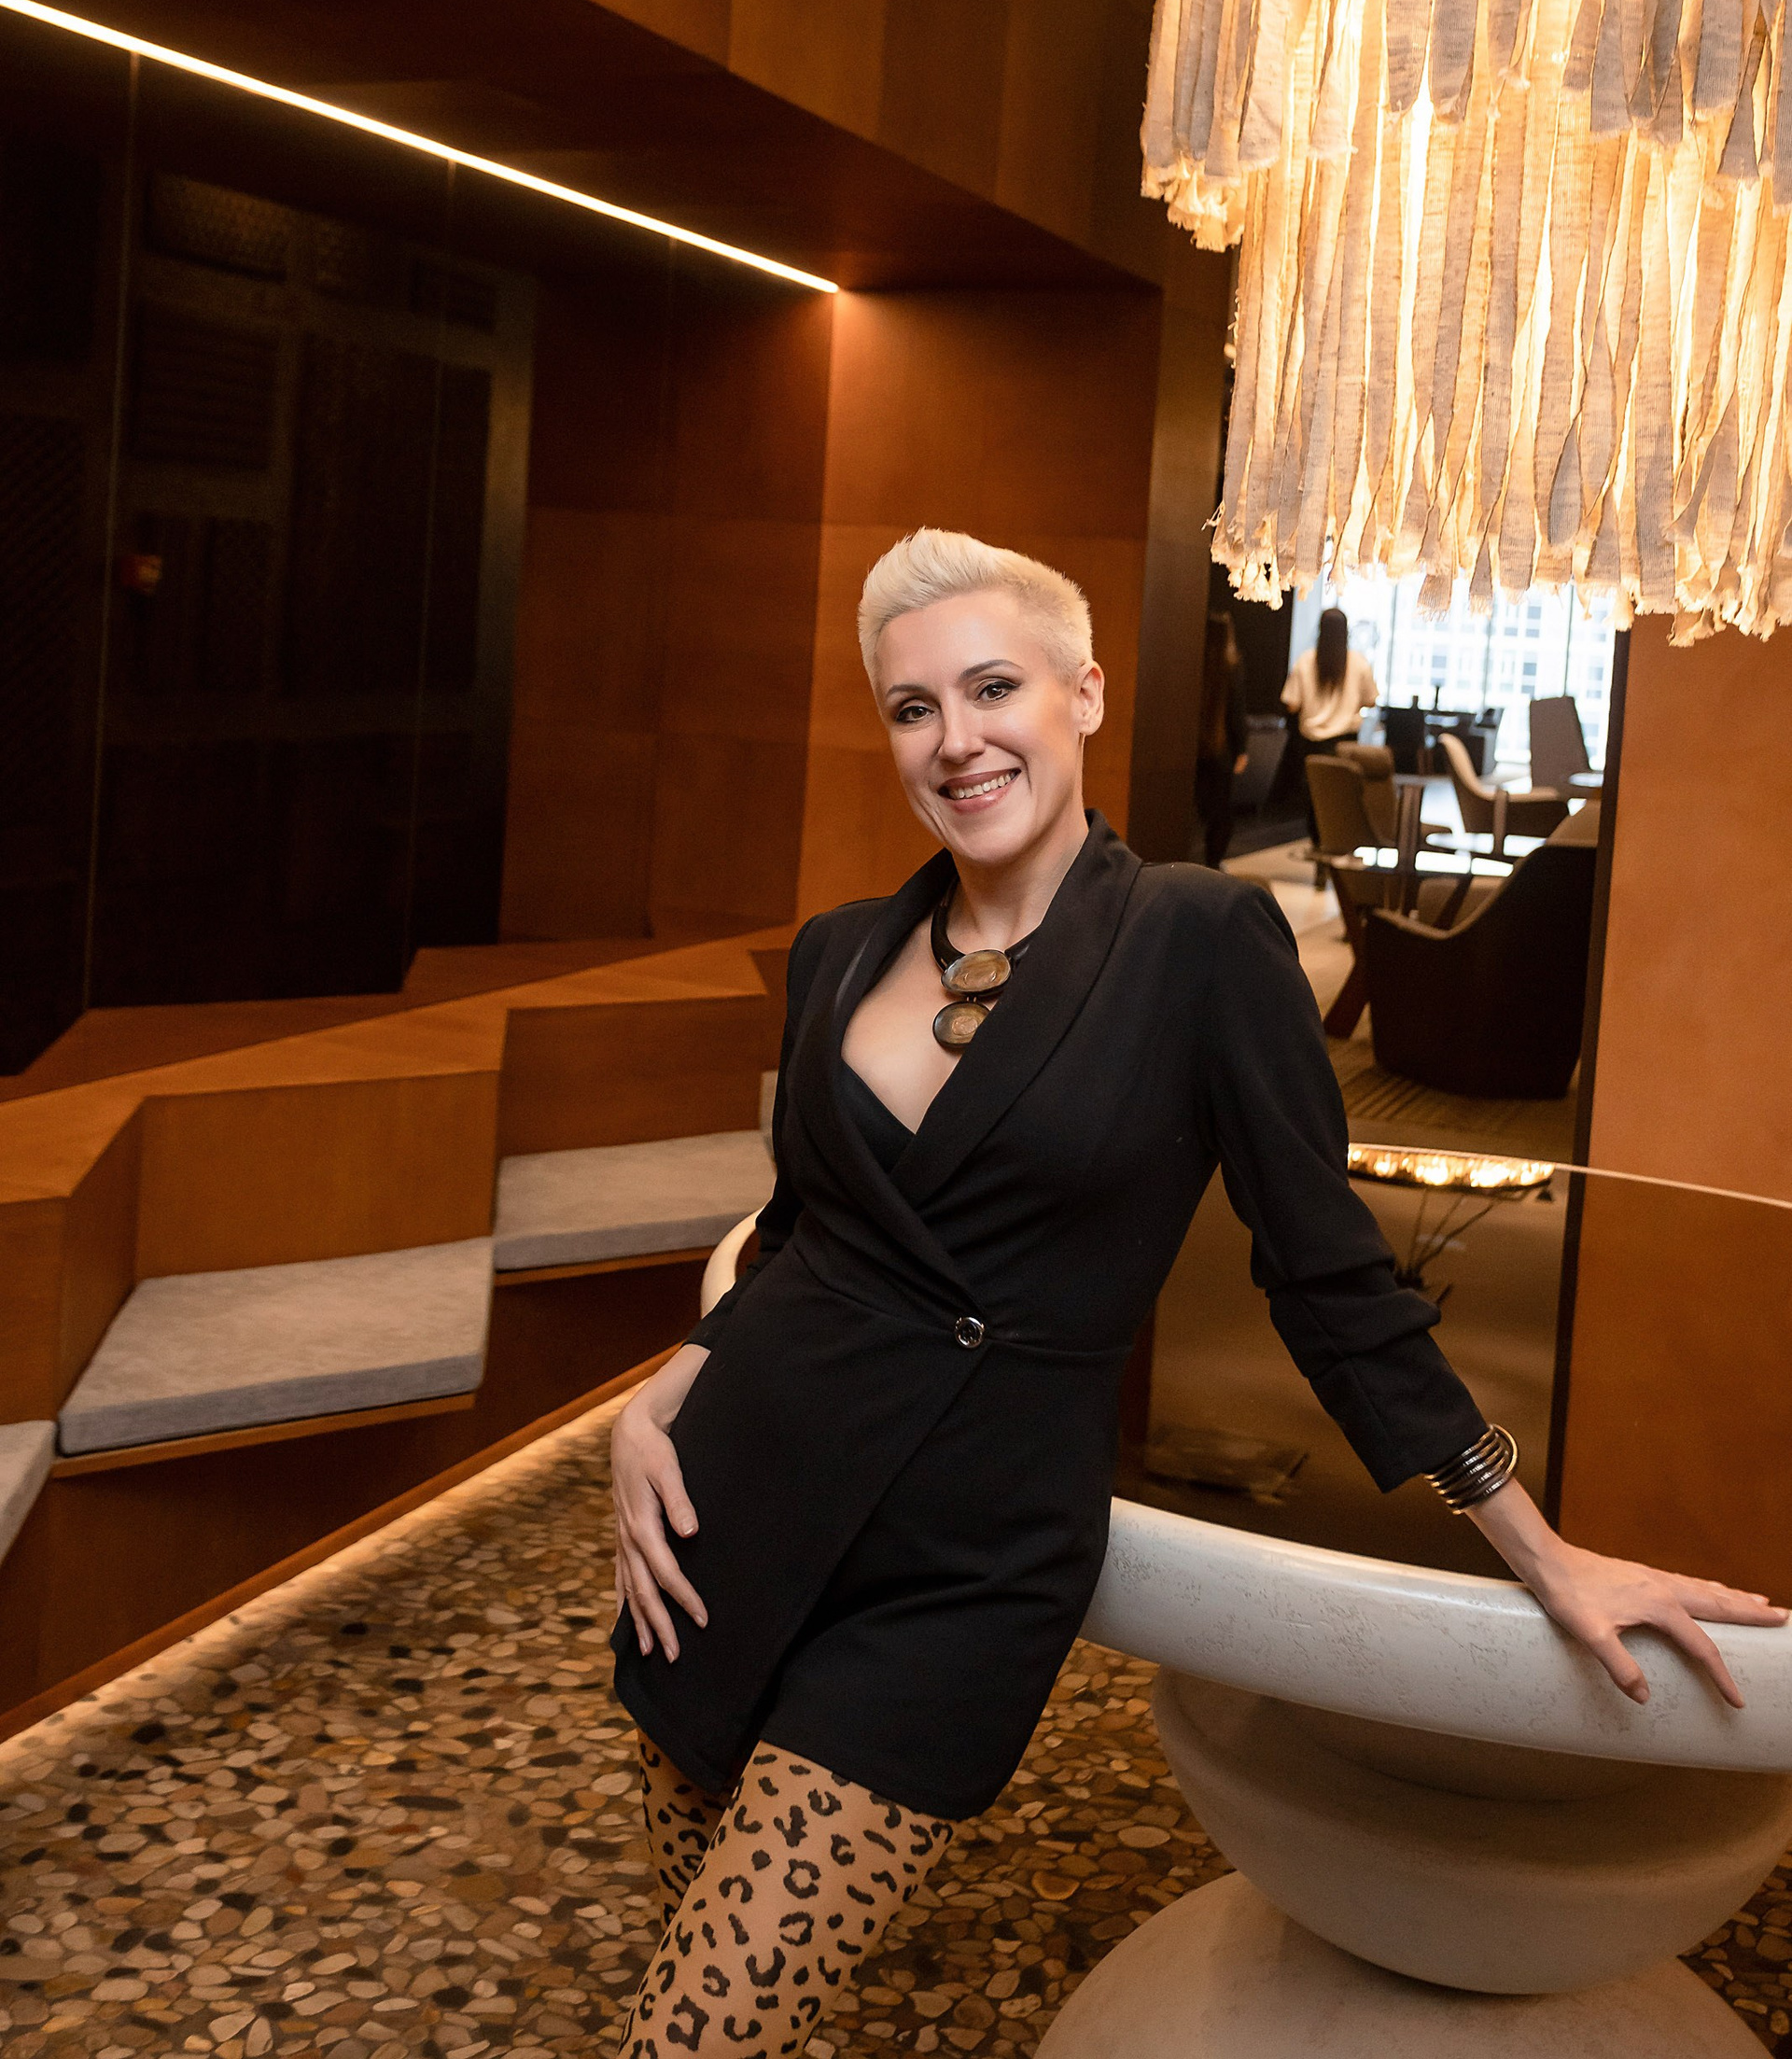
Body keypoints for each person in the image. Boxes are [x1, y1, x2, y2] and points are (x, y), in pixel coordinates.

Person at [607, 529, 1781, 2059]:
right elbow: (803, 1229)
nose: (956, 740)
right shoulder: (838, 953)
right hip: (721, 1519)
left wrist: (1537, 1548)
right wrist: (667, 1387)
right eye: (912, 707)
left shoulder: (1199, 939)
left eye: (993, 688)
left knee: (694, 2035)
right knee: (701, 1997)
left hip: (957, 1573)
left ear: (1085, 694)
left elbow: (1329, 1276)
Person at [1281, 603, 1379, 849]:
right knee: (1342, 799)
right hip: (1346, 744)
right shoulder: (1358, 663)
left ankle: (1318, 847)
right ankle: (1340, 847)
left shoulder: (1305, 661)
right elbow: (1371, 700)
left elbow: (1291, 704)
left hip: (1312, 744)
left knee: (1316, 799)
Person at [1194, 607, 1250, 868]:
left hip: (1194, 750)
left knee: (1196, 809)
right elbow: (1237, 712)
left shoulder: (1193, 665)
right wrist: (1242, 749)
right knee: (1220, 813)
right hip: (1221, 752)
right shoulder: (1232, 666)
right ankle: (1212, 863)